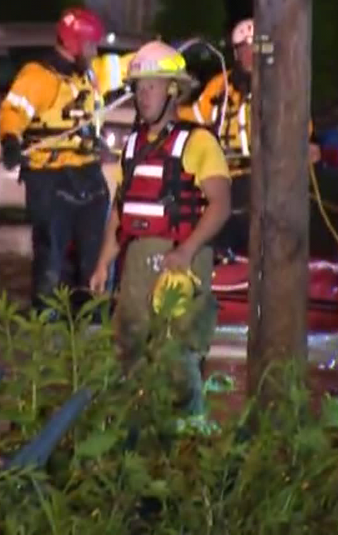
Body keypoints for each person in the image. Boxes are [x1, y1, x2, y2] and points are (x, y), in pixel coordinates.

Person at [89, 41, 232, 420]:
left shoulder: (198, 142)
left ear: (172, 89)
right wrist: (103, 262)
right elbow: (122, 208)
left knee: (176, 354)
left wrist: (186, 251)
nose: (142, 95)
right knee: (129, 347)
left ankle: (190, 430)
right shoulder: (133, 144)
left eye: (151, 86)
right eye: (138, 87)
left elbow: (220, 204)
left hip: (181, 260)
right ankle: (137, 430)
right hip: (137, 260)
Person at [0, 7, 112, 309]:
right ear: (75, 44)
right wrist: (10, 141)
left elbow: (127, 67)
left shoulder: (90, 73)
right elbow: (13, 111)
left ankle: (93, 318)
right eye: (91, 45)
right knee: (51, 259)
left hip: (88, 174)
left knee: (96, 258)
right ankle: (47, 322)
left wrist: (164, 60)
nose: (96, 51)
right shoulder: (38, 77)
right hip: (49, 179)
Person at [179, 18, 254, 254]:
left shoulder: (279, 87)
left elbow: (301, 130)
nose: (249, 55)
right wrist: (170, 111)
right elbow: (196, 115)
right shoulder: (220, 84)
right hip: (224, 174)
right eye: (243, 49)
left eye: (253, 48)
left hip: (261, 177)